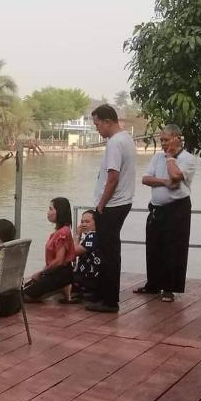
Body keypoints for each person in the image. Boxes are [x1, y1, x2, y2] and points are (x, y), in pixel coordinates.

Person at [134, 123, 197, 302]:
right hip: (157, 208)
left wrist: (170, 157)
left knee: (174, 248)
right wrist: (163, 182)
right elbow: (146, 179)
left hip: (177, 208)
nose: (163, 143)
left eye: (166, 140)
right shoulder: (156, 157)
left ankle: (169, 288)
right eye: (161, 140)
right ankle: (153, 284)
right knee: (154, 247)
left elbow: (176, 176)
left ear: (177, 138)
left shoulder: (187, 159)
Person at [87, 104, 137, 314]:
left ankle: (109, 301)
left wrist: (101, 205)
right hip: (121, 202)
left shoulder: (115, 143)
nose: (97, 128)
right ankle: (103, 294)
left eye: (97, 124)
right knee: (107, 250)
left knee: (108, 252)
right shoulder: (126, 139)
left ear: (108, 121)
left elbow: (113, 177)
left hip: (112, 205)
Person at [21, 198, 75, 302]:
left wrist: (41, 272)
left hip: (59, 273)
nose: (48, 212)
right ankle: (64, 287)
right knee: (25, 287)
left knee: (23, 296)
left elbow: (59, 260)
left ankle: (62, 286)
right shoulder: (63, 230)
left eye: (51, 209)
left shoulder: (62, 233)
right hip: (59, 272)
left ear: (60, 211)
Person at [59, 209, 100, 304]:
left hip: (88, 280)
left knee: (58, 276)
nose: (83, 224)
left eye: (87, 221)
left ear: (96, 223)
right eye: (82, 222)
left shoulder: (93, 237)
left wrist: (77, 235)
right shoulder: (95, 236)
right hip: (87, 277)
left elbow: (73, 253)